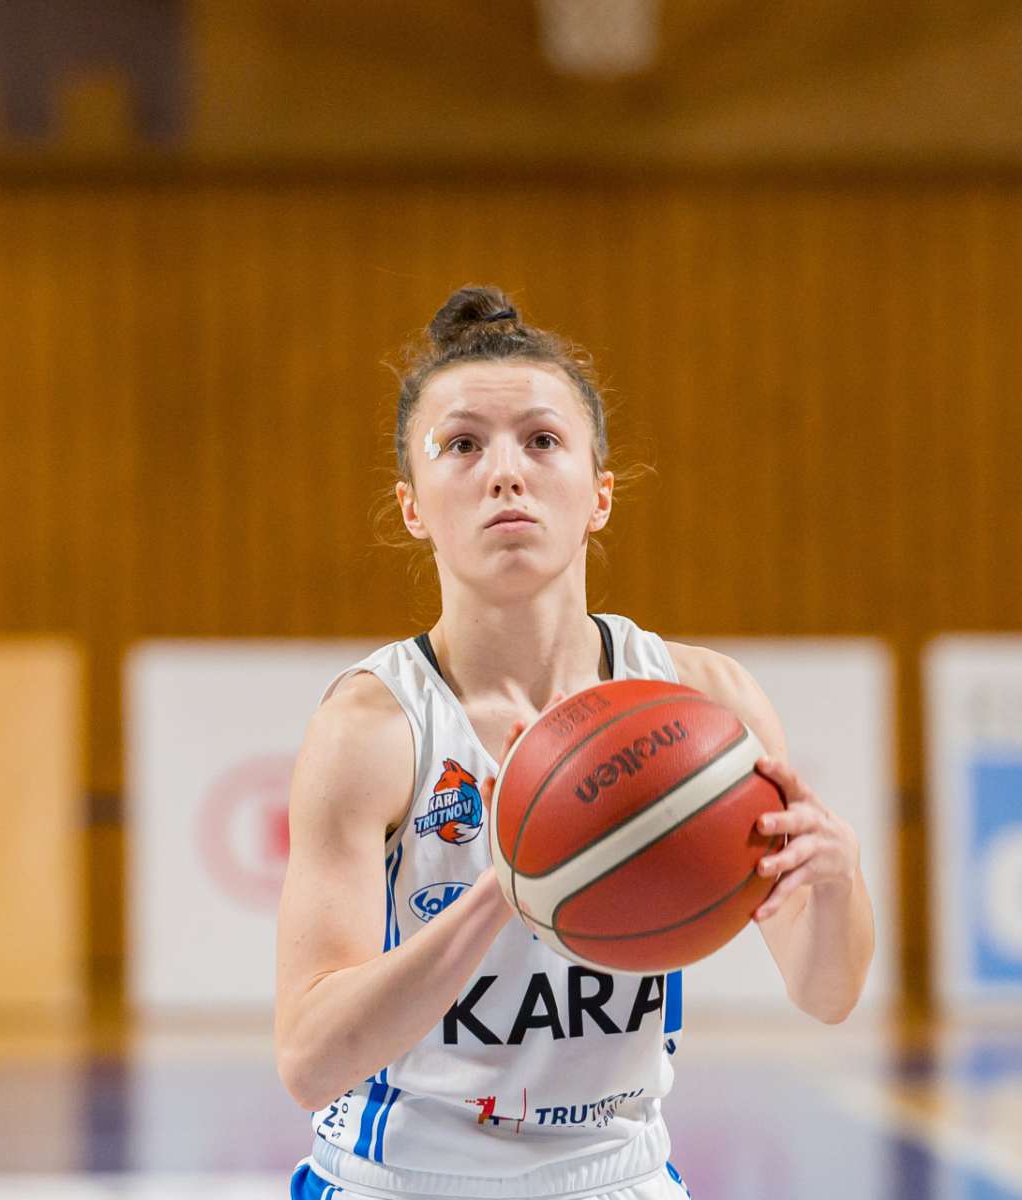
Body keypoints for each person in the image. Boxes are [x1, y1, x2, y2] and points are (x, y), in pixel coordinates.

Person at [275, 286, 874, 1200]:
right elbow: (310, 1061)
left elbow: (826, 992)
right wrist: (504, 888)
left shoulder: (707, 707)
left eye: (542, 440)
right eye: (461, 445)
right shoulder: (372, 728)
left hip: (617, 1176)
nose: (505, 474)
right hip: (400, 1180)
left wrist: (837, 881)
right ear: (412, 507)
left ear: (600, 494)